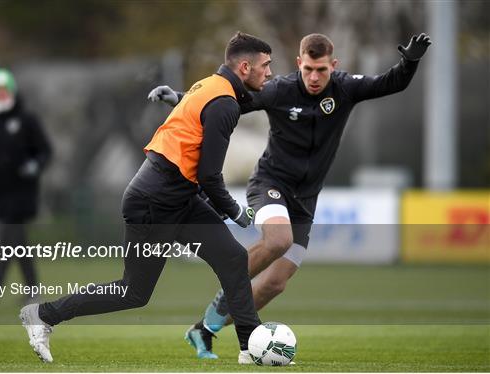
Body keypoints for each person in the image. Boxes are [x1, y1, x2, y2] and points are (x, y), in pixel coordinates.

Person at [148, 32, 432, 363]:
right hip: (271, 183)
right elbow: (228, 102)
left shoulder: (345, 88)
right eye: (309, 68)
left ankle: (205, 328)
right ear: (299, 63)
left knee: (275, 284)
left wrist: (409, 61)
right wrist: (180, 97)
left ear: (333, 66)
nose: (314, 77)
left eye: (321, 70)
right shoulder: (279, 90)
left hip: (306, 200)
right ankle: (229, 299)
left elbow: (391, 83)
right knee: (278, 240)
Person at [19, 31, 272, 364]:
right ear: (244, 67)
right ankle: (43, 315)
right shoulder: (223, 101)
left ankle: (250, 348)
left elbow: (200, 114)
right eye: (265, 66)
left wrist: (177, 98)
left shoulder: (213, 85)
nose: (269, 73)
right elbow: (210, 176)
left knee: (234, 260)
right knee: (133, 292)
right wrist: (235, 211)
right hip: (154, 201)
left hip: (176, 196)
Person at [0, 68, 52, 304]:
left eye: (6, 90)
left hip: (22, 193)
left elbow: (45, 151)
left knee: (9, 236)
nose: (2, 94)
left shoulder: (27, 121)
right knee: (16, 242)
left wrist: (35, 165)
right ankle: (32, 289)